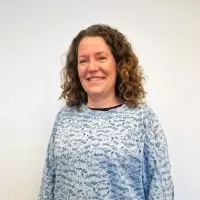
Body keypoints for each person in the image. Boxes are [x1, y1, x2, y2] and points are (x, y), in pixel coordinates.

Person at [38, 24, 174, 200]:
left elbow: (161, 185)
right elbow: (49, 180)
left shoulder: (142, 118)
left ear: (119, 65)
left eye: (101, 58)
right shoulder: (65, 117)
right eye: (83, 60)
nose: (91, 67)